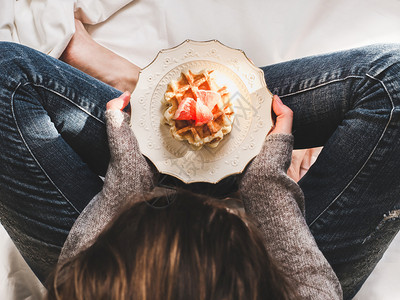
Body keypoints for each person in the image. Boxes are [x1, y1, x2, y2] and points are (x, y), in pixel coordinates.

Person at [0, 22, 399, 299]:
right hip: (279, 280)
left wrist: (125, 184)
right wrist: (267, 186)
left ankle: (154, 106)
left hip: (105, 264)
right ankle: (200, 129)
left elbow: (72, 281)